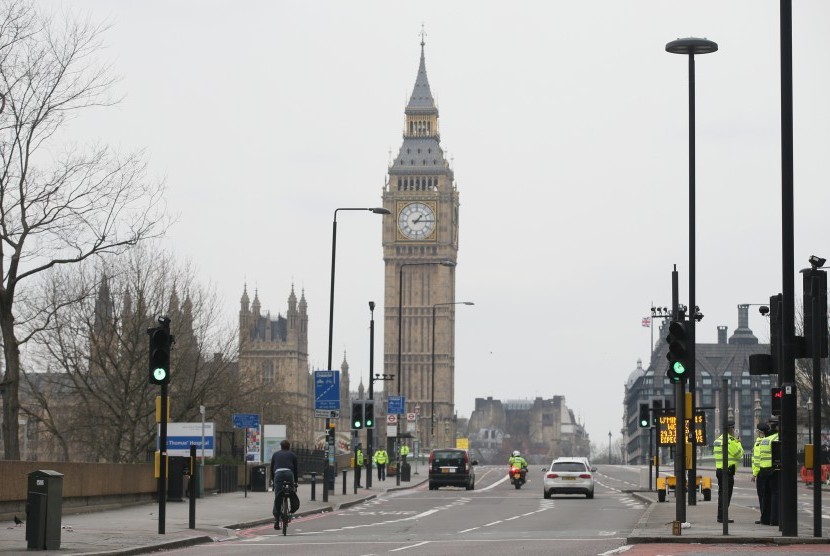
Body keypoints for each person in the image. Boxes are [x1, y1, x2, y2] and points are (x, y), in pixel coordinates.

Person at [713, 420, 744, 523]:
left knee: (721, 494)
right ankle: (723, 516)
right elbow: (739, 454)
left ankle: (720, 516)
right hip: (728, 471)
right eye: (734, 428)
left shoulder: (717, 440)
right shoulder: (730, 441)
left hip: (719, 470)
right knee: (726, 495)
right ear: (731, 429)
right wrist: (739, 443)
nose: (734, 430)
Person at [270, 439, 300, 530]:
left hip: (278, 474)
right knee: (291, 492)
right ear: (289, 447)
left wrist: (273, 481)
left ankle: (276, 520)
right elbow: (295, 470)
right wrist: (295, 483)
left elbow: (272, 468)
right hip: (289, 474)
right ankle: (291, 508)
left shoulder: (275, 454)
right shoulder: (293, 455)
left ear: (281, 446)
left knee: (278, 496)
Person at [757, 418, 779, 526]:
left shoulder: (765, 439)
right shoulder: (776, 438)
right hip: (774, 471)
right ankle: (774, 520)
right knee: (775, 494)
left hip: (763, 471)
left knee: (766, 495)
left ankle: (765, 519)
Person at [751, 422, 770, 524]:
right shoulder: (765, 441)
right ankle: (765, 517)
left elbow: (757, 460)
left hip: (761, 473)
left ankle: (764, 517)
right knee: (765, 496)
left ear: (760, 432)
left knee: (762, 496)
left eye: (757, 431)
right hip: (765, 471)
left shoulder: (759, 443)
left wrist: (754, 474)